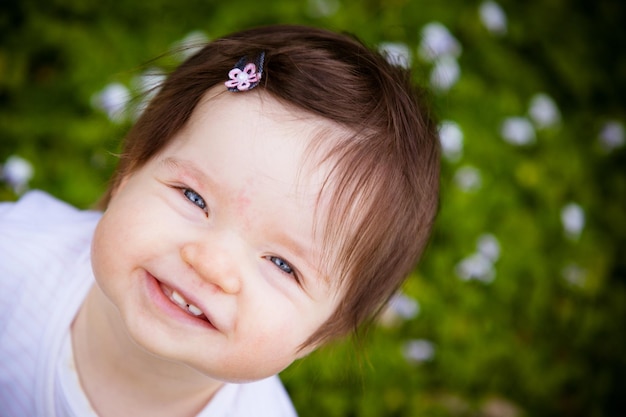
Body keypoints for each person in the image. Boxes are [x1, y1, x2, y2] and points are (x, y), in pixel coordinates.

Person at [0, 24, 440, 416]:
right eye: (194, 198)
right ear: (129, 169)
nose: (211, 263)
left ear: (325, 332)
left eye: (282, 264)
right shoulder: (13, 259)